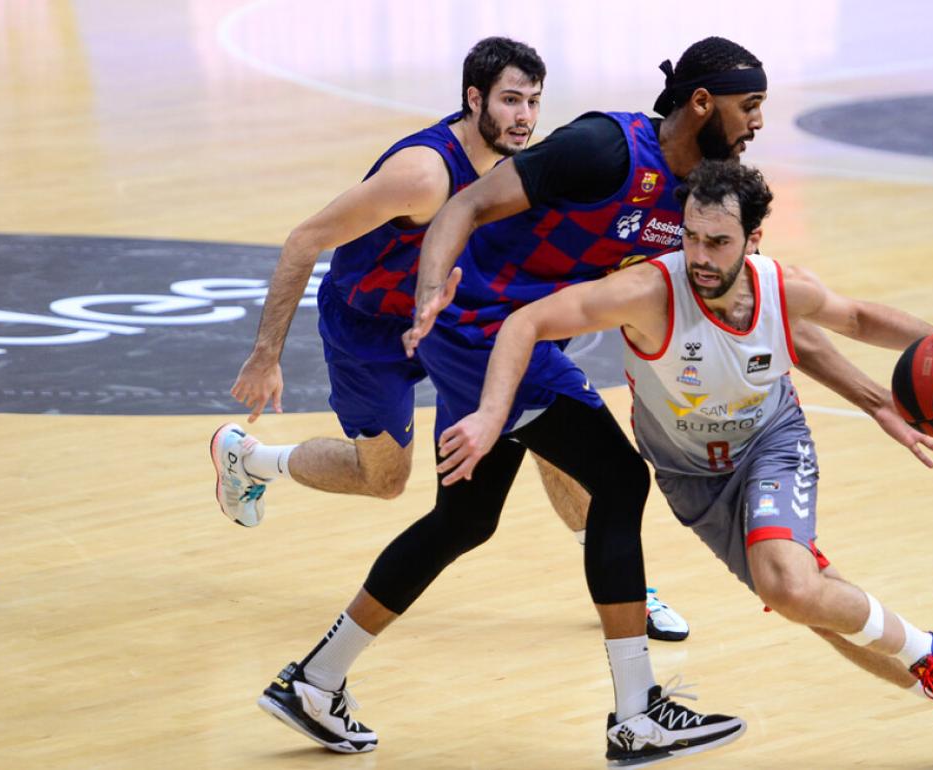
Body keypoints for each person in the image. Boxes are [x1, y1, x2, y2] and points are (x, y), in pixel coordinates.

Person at [250, 37, 767, 765]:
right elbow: (463, 205)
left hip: (511, 335)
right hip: (480, 330)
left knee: (464, 519)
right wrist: (431, 293)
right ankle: (637, 713)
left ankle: (315, 680)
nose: (758, 124)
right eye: (750, 107)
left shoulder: (696, 193)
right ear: (704, 103)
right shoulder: (603, 149)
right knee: (619, 481)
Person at [438, 160, 933, 770]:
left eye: (719, 242)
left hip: (771, 444)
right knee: (810, 604)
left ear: (752, 241)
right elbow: (525, 323)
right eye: (690, 237)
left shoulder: (781, 287)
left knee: (789, 585)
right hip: (693, 482)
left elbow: (859, 318)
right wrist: (493, 413)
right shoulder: (648, 293)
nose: (701, 256)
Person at [207, 36, 688, 640]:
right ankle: (251, 461)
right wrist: (264, 355)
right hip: (374, 331)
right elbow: (306, 240)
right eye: (511, 100)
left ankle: (626, 590)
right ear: (473, 98)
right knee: (383, 480)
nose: (525, 117)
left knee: (551, 433)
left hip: (462, 327)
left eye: (534, 102)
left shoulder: (524, 165)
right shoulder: (422, 175)